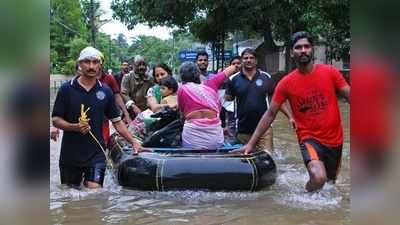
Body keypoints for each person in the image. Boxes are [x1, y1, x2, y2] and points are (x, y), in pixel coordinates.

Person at [239, 31, 350, 192]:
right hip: (308, 138)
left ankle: (313, 206)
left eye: (306, 46)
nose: (303, 50)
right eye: (298, 47)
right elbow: (270, 113)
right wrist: (250, 144)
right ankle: (306, 197)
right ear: (291, 52)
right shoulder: (285, 83)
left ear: (312, 50)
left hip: (335, 140)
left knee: (329, 185)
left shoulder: (330, 72)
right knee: (319, 178)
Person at [52, 46, 142, 189]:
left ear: (100, 65)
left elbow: (117, 122)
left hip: (96, 152)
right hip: (70, 154)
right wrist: (74, 127)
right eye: (87, 62)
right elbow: (56, 119)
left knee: (94, 192)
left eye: (95, 62)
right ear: (79, 64)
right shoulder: (66, 89)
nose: (91, 66)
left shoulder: (105, 91)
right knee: (69, 194)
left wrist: (133, 142)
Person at [225, 49, 279, 152]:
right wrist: (227, 126)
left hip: (265, 129)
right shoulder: (233, 79)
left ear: (256, 61)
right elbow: (228, 103)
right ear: (242, 61)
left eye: (251, 58)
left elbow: (276, 100)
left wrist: (290, 117)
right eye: (245, 58)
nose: (248, 60)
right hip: (242, 129)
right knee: (244, 162)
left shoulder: (266, 77)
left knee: (267, 158)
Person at [177, 62, 237, 149]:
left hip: (192, 136)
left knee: (191, 160)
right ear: (198, 74)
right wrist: (235, 66)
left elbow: (182, 114)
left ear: (182, 76)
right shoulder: (211, 83)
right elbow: (230, 70)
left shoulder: (182, 90)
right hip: (214, 135)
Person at [219, 56, 241, 136]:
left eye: (238, 63)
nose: (236, 65)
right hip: (229, 116)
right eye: (233, 64)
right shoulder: (224, 81)